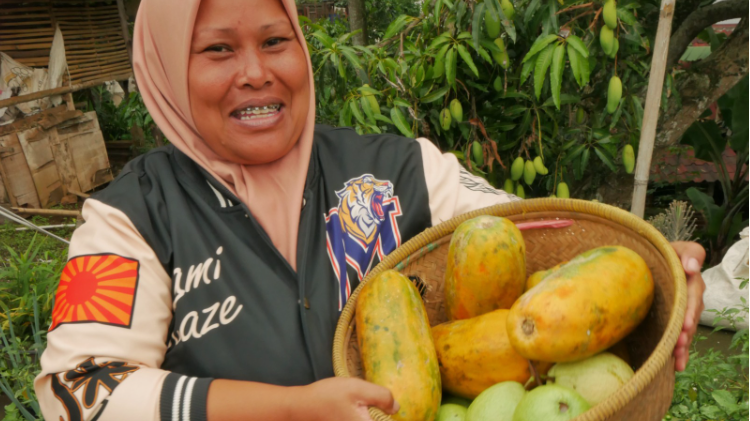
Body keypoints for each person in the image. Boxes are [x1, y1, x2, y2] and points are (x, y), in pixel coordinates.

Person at [33, 0, 706, 419]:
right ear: (166, 69)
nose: (255, 72)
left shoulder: (399, 168)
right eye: (216, 49)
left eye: (274, 40)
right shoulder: (129, 218)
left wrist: (651, 267)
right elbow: (80, 390)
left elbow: (534, 232)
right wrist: (291, 411)